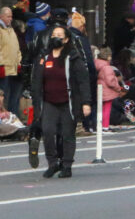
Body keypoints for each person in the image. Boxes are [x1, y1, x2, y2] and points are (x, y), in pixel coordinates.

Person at [29, 24, 92, 178]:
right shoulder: (44, 57)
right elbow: (36, 80)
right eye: (54, 35)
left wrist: (86, 102)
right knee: (48, 131)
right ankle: (52, 162)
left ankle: (67, 164)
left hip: (68, 101)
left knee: (67, 133)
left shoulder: (73, 57)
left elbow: (83, 80)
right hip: (49, 101)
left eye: (60, 35)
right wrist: (36, 101)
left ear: (66, 39)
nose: (56, 38)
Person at [0, 7, 23, 118]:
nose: (10, 19)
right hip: (4, 68)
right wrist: (0, 64)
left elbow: (16, 47)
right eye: (8, 16)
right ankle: (3, 116)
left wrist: (18, 62)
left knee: (13, 94)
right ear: (1, 17)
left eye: (11, 16)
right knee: (3, 94)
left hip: (12, 67)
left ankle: (12, 116)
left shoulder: (10, 28)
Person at [93, 47, 124, 131]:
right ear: (108, 57)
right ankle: (105, 126)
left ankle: (99, 125)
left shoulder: (97, 65)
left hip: (100, 89)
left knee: (101, 109)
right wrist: (118, 88)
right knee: (107, 109)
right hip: (107, 91)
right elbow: (110, 81)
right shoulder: (107, 67)